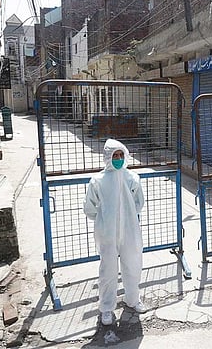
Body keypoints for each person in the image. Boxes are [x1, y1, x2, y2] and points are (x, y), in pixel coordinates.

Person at [83, 138, 146, 326]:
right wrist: (104, 220)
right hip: (108, 234)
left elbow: (139, 203)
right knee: (108, 271)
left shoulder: (132, 178)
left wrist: (127, 216)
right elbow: (90, 207)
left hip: (129, 231)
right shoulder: (98, 180)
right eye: (114, 155)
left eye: (120, 155)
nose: (118, 158)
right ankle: (107, 308)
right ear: (107, 157)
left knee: (133, 265)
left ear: (125, 155)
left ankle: (133, 299)